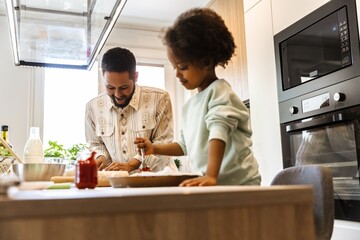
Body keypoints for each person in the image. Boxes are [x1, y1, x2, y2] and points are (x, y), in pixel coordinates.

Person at [135, 8, 261, 186]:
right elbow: (184, 146)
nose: (177, 74)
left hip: (239, 185)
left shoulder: (220, 91)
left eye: (183, 67)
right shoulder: (190, 105)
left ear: (207, 61)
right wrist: (153, 148)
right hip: (213, 185)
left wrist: (210, 175)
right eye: (175, 68)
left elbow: (219, 130)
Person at [85, 47, 175, 172]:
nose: (117, 94)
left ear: (135, 76)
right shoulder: (92, 107)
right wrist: (101, 157)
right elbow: (96, 143)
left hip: (156, 182)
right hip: (116, 184)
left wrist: (133, 164)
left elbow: (163, 143)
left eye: (124, 87)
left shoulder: (160, 99)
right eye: (110, 87)